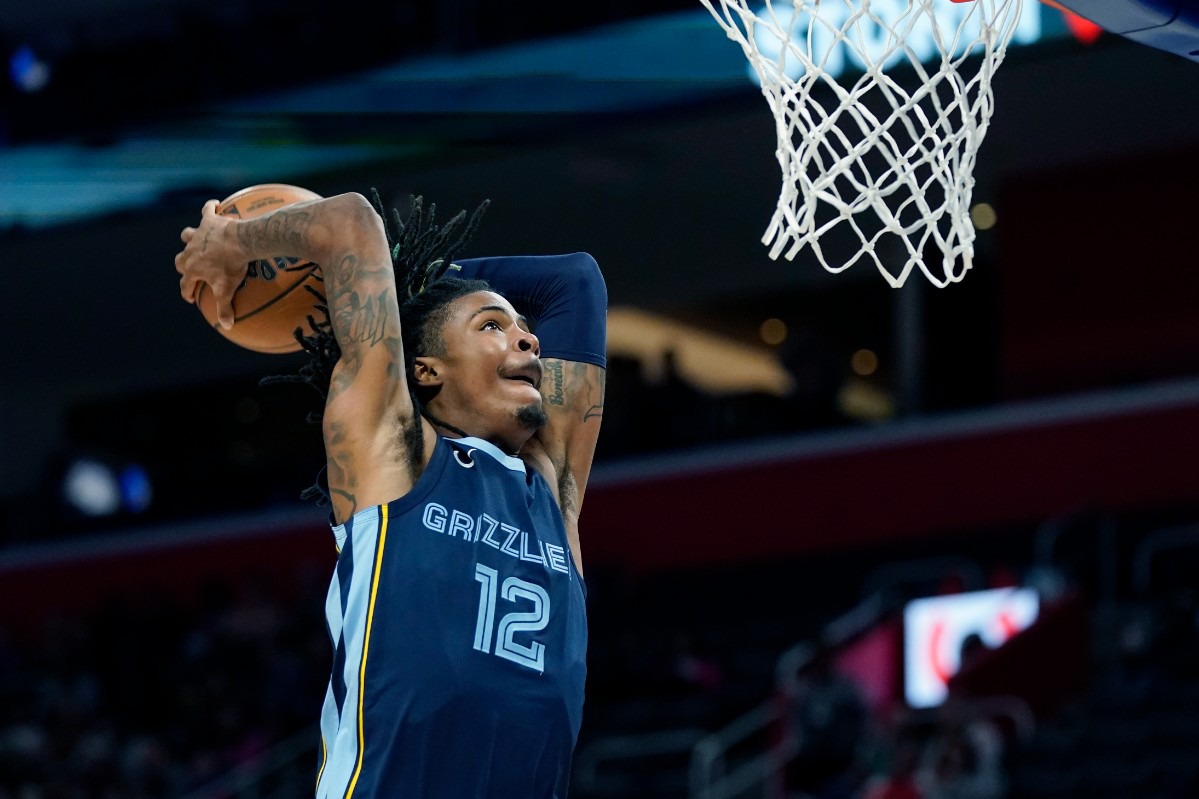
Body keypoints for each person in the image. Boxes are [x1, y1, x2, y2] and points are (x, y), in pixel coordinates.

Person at [174, 190, 607, 798]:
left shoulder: (552, 489)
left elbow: (574, 280)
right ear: (425, 368)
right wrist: (232, 243)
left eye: (525, 330)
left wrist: (410, 274)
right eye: (492, 325)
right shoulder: (394, 448)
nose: (529, 340)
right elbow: (350, 222)